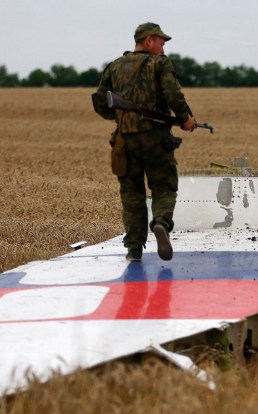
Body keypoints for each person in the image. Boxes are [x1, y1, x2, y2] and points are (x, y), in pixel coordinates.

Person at [92, 22, 197, 261]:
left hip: (124, 142)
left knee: (132, 196)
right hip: (155, 139)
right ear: (149, 41)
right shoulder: (160, 64)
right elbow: (173, 94)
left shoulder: (114, 66)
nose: (163, 47)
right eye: (161, 42)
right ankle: (160, 223)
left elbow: (99, 101)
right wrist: (186, 119)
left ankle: (134, 249)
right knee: (164, 187)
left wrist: (119, 117)